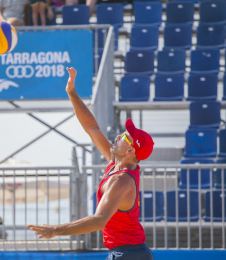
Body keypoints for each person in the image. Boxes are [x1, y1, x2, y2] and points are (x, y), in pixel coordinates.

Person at [27, 67, 155, 260]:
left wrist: (55, 230)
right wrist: (72, 93)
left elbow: (99, 221)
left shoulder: (122, 180)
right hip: (128, 252)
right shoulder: (116, 163)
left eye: (124, 137)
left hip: (129, 254)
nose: (118, 136)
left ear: (130, 151)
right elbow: (92, 127)